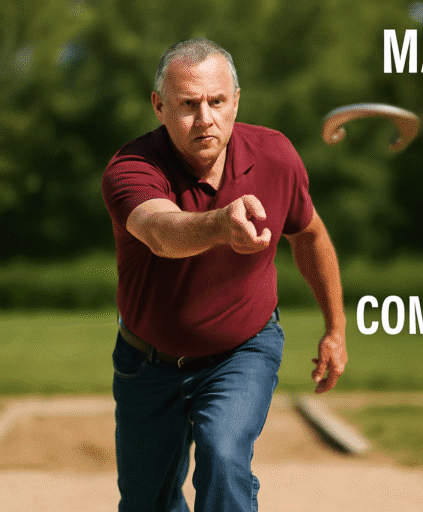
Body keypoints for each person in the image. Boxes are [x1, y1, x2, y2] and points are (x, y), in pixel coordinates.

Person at [101, 37, 347, 511]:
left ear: (236, 101)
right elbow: (160, 232)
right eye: (188, 105)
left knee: (223, 453)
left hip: (242, 350)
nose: (206, 118)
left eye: (217, 101)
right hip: (146, 362)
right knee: (145, 502)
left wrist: (335, 328)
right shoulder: (131, 167)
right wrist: (219, 226)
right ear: (159, 106)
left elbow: (310, 235)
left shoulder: (275, 156)